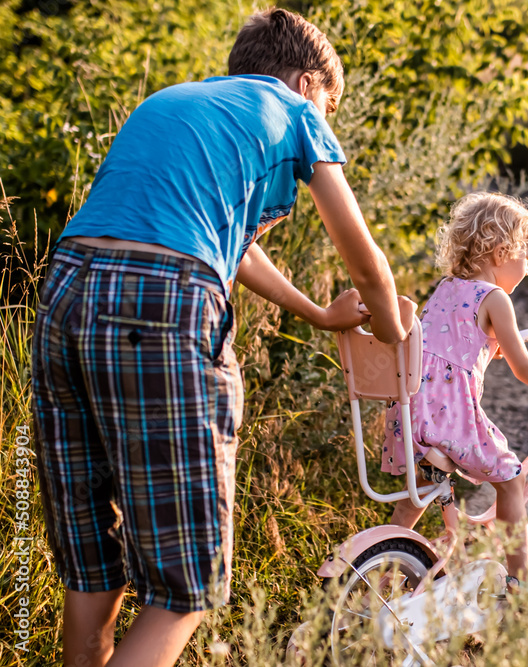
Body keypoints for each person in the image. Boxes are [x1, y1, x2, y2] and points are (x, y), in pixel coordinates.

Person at [30, 8, 416, 667]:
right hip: (163, 300)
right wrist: (395, 337)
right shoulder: (294, 112)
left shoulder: (180, 101)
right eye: (327, 104)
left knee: (93, 566)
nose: (324, 119)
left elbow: (227, 248)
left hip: (65, 293)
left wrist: (319, 314)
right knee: (187, 589)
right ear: (304, 82)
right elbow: (367, 262)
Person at [381, 192, 528, 588]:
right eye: (526, 255)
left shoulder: (447, 287)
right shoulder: (495, 298)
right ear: (501, 252)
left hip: (411, 411)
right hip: (448, 413)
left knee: (420, 491)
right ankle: (520, 583)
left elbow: (448, 344)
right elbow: (524, 367)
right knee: (511, 479)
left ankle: (380, 570)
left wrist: (487, 345)